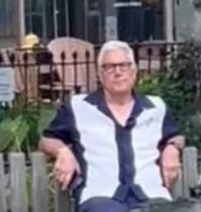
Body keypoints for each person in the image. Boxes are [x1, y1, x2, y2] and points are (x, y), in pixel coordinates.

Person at [40, 40, 184, 212]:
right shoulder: (78, 107)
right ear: (100, 74)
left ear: (134, 70)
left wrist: (172, 148)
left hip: (152, 196)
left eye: (123, 65)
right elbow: (47, 139)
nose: (118, 72)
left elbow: (176, 135)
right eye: (110, 67)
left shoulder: (156, 107)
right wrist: (62, 151)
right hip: (100, 198)